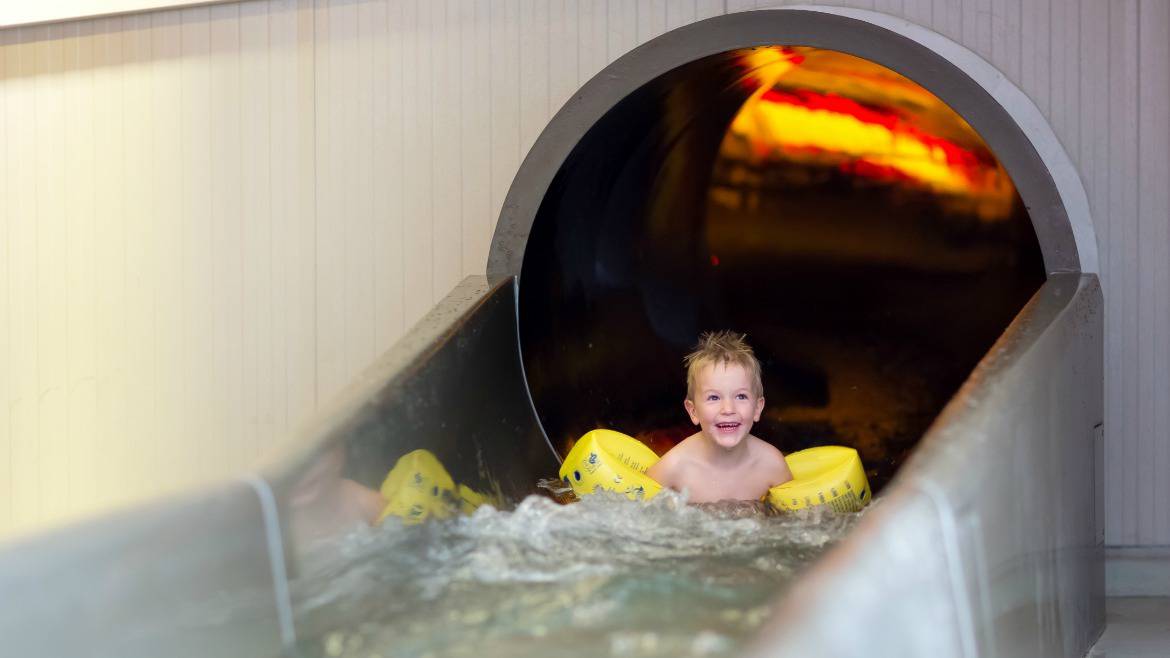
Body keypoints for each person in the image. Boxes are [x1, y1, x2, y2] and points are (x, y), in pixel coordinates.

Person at [646, 331, 793, 503]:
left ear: (757, 408)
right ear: (693, 411)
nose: (728, 409)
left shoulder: (772, 465)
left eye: (741, 396)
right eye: (714, 397)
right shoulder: (675, 467)